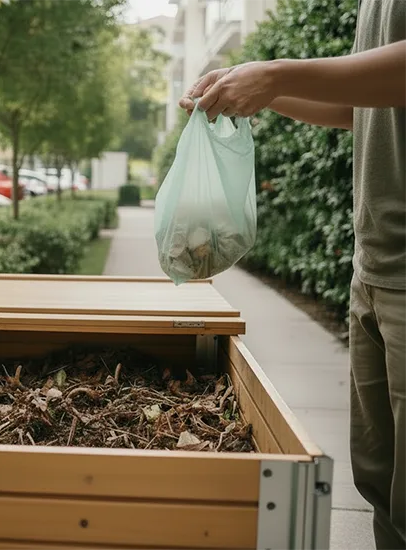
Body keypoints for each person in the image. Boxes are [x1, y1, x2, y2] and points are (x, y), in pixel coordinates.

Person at [178, 4, 406, 549]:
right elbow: (363, 104)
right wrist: (259, 90)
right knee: (379, 486)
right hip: (374, 267)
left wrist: (278, 73)